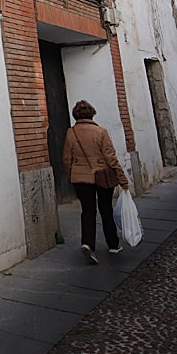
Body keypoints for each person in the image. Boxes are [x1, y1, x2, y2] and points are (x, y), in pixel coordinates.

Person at [63, 100, 129, 264]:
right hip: (102, 176)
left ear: (75, 115)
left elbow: (66, 158)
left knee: (87, 211)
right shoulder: (101, 132)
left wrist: (70, 176)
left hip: (80, 178)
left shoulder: (71, 133)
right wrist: (123, 180)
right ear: (92, 113)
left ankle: (88, 244)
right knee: (106, 209)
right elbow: (111, 159)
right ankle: (113, 244)